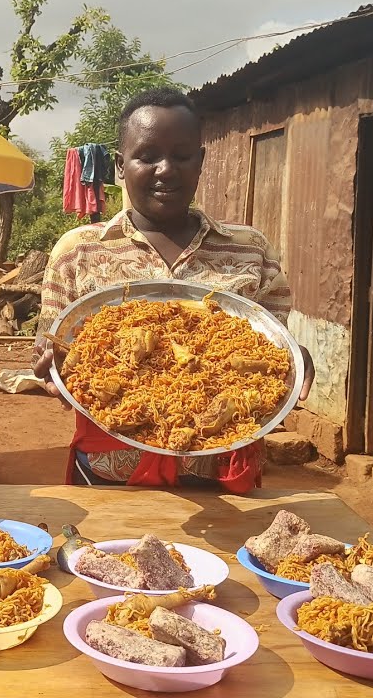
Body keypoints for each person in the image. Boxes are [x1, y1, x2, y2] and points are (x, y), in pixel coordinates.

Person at [32, 87, 315, 493]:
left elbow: (273, 344)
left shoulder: (250, 249)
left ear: (200, 162)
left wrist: (294, 358)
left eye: (181, 156)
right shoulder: (77, 251)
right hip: (110, 475)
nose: (166, 169)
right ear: (119, 165)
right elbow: (52, 346)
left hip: (223, 473)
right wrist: (49, 368)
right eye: (147, 156)